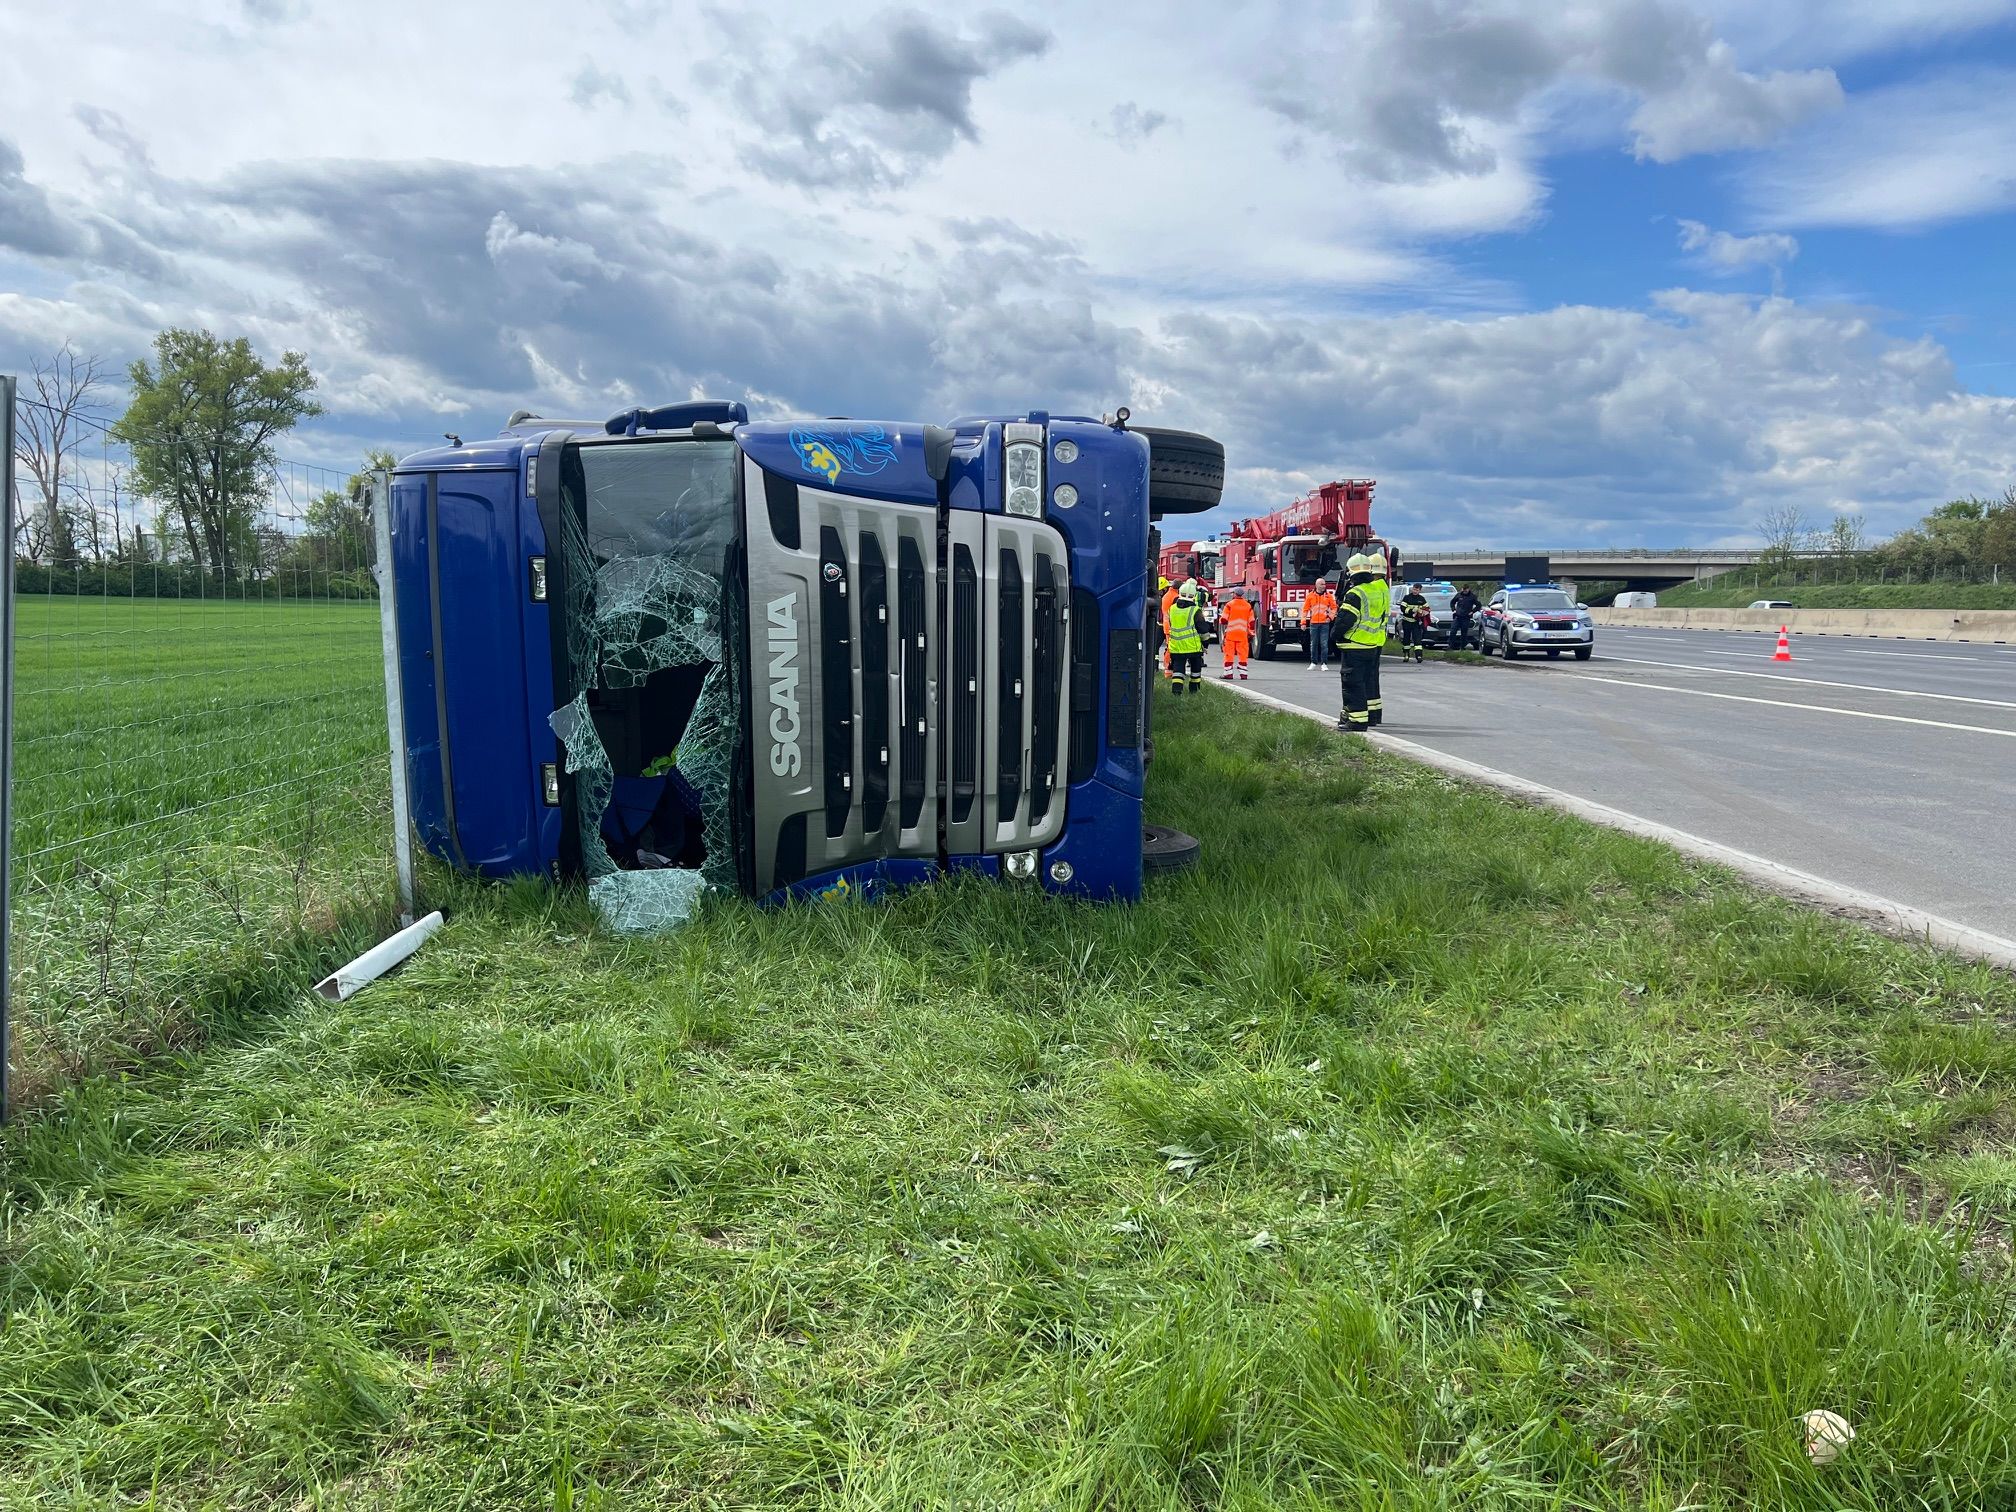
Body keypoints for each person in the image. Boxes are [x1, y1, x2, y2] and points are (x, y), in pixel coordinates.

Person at [1334, 552, 1391, 733]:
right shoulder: (1376, 589)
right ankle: (1362, 716)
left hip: (1355, 644)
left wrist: (1334, 636)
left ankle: (1357, 721)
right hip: (1372, 644)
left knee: (1353, 684)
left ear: (1351, 573)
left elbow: (1345, 620)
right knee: (1366, 682)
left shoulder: (1355, 593)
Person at [1165, 582, 1205, 695]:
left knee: (1178, 671)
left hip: (1177, 647)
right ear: (1194, 595)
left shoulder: (1172, 609)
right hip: (1193, 647)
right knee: (1195, 671)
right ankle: (1194, 691)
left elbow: (1172, 624)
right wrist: (1205, 643)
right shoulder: (1195, 610)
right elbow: (1202, 629)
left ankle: (1176, 692)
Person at [1303, 576, 1338, 669]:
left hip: (1324, 623)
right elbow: (1305, 610)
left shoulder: (1329, 596)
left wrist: (1330, 617)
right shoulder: (1310, 596)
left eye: (1324, 584)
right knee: (1313, 644)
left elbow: (1334, 608)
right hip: (1313, 623)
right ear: (1317, 585)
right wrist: (1303, 623)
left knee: (1324, 644)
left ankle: (1324, 663)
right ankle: (1313, 662)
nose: (1324, 586)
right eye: (1322, 584)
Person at [1219, 591, 1254, 679]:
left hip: (1231, 634)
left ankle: (1228, 674)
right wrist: (1251, 633)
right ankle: (1243, 674)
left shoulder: (1229, 605)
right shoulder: (1248, 606)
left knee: (1229, 654)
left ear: (1234, 594)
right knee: (1243, 654)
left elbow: (1223, 620)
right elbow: (1252, 622)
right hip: (1242, 634)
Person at [1398, 582, 1430, 662]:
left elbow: (1427, 609)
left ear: (1420, 590)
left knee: (1417, 639)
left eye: (1417, 590)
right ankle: (1406, 655)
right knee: (1406, 639)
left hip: (1416, 622)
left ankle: (1419, 656)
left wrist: (1421, 612)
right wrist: (1412, 611)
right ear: (1412, 589)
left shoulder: (1421, 599)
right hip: (1407, 621)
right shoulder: (1407, 598)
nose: (1415, 591)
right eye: (1414, 589)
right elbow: (1402, 608)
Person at [1159, 575, 1180, 680]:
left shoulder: (1168, 595)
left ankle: (1168, 670)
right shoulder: (1174, 597)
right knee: (1171, 649)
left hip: (1167, 626)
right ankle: (1169, 670)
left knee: (1169, 648)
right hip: (1172, 627)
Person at [1449, 585, 1480, 651]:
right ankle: (1450, 646)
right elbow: (1452, 602)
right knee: (1453, 631)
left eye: (1466, 590)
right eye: (1463, 589)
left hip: (1466, 617)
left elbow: (1478, 605)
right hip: (1457, 616)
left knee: (1464, 633)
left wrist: (1472, 611)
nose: (1464, 591)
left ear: (1468, 589)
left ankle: (1462, 647)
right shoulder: (1459, 595)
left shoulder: (1472, 596)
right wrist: (1453, 609)